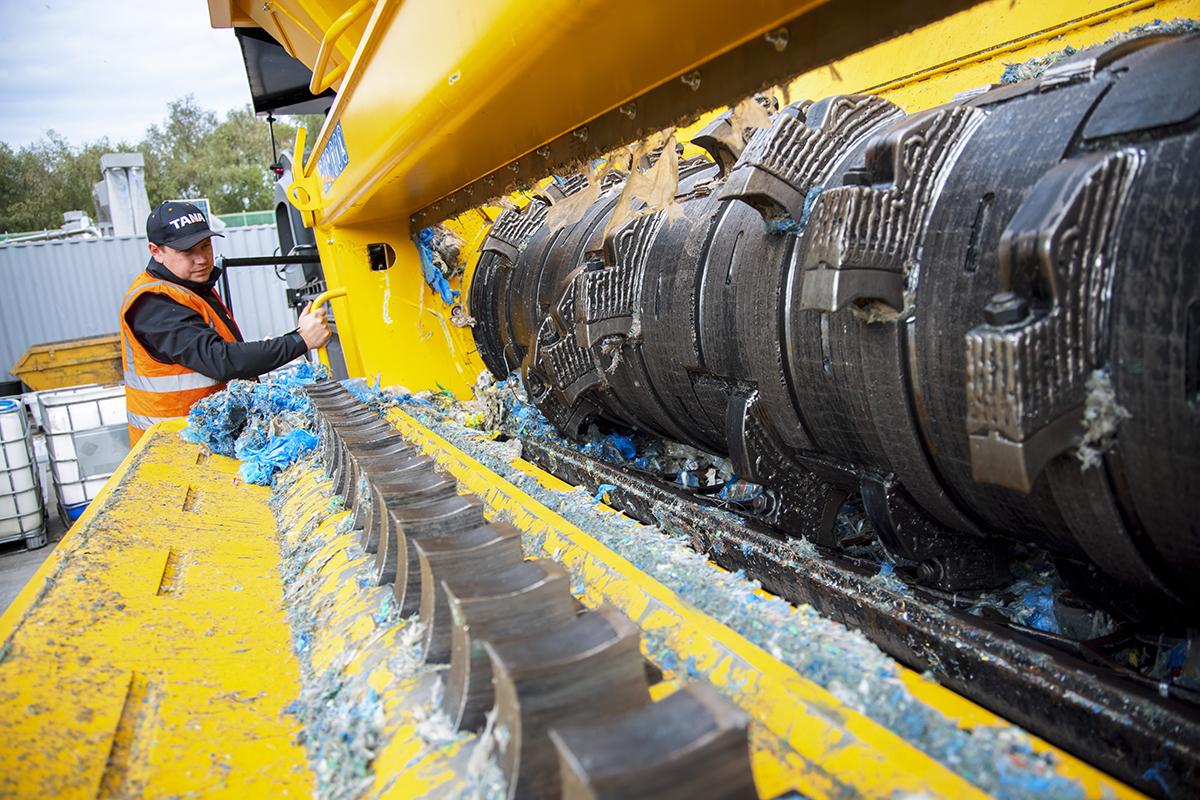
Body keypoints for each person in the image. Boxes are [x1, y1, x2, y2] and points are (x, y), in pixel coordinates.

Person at [118, 201, 332, 444]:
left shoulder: (188, 286)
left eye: (205, 246)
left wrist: (301, 334)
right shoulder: (155, 303)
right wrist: (301, 340)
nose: (201, 259)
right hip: (175, 448)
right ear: (156, 251)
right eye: (187, 252)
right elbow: (220, 360)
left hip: (204, 437)